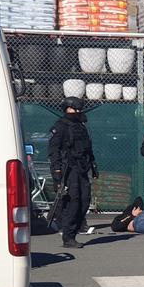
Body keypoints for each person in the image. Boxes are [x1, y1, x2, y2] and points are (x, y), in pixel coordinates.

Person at [49, 97, 98, 248]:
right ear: (66, 110)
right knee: (73, 201)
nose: (76, 112)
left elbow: (88, 148)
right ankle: (68, 237)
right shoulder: (61, 126)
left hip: (82, 167)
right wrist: (57, 171)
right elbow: (54, 150)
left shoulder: (81, 126)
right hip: (68, 169)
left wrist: (94, 166)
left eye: (78, 110)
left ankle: (74, 231)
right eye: (73, 109)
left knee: (85, 200)